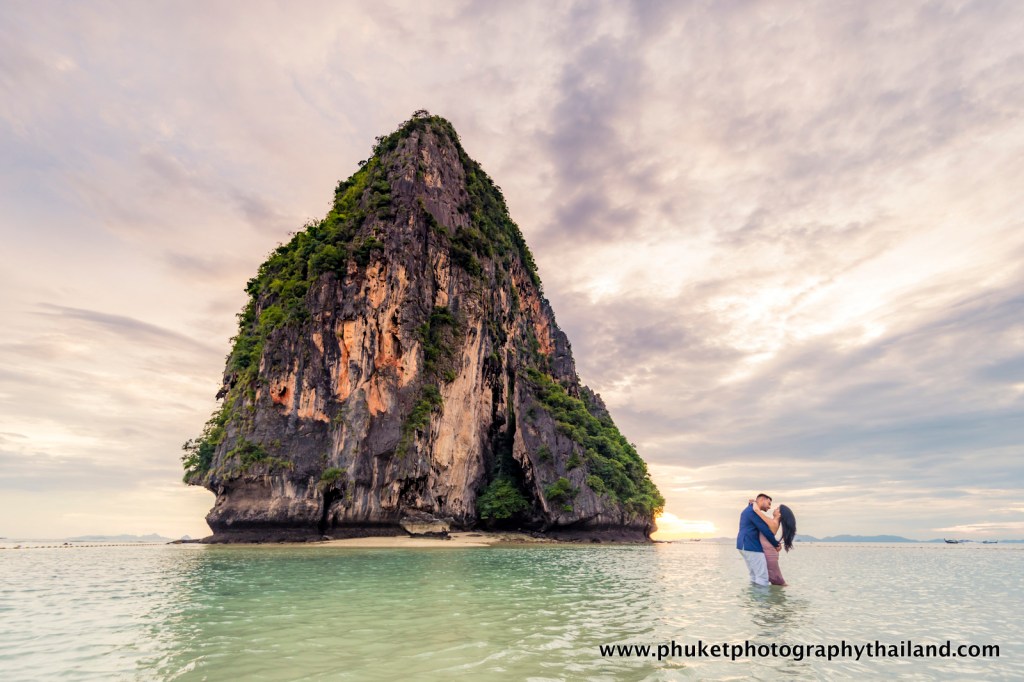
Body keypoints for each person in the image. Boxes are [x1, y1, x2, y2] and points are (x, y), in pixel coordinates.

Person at [748, 499, 797, 586]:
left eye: (777, 509)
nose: (775, 509)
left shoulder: (773, 522)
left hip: (769, 553)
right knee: (775, 579)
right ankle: (776, 598)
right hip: (769, 552)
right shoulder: (772, 521)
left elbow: (756, 511)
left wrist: (754, 503)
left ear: (780, 514)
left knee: (778, 581)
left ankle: (787, 596)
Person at [736, 494, 781, 586]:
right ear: (762, 499)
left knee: (754, 575)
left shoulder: (749, 509)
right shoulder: (752, 511)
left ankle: (754, 598)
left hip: (744, 545)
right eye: (769, 503)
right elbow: (765, 530)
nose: (769, 507)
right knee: (763, 577)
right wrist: (776, 544)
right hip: (751, 546)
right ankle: (762, 599)